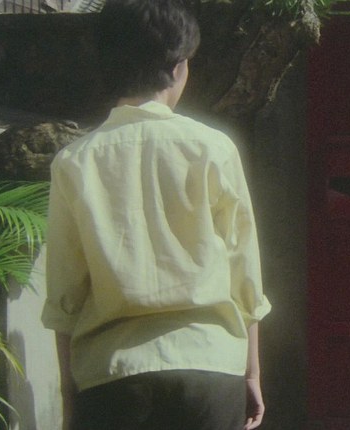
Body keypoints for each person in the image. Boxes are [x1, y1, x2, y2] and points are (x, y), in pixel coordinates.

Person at [40, 0, 271, 429]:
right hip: (209, 369)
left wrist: (70, 399)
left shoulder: (74, 162)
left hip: (112, 379)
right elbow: (245, 276)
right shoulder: (214, 148)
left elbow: (65, 296)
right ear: (180, 67)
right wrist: (251, 374)